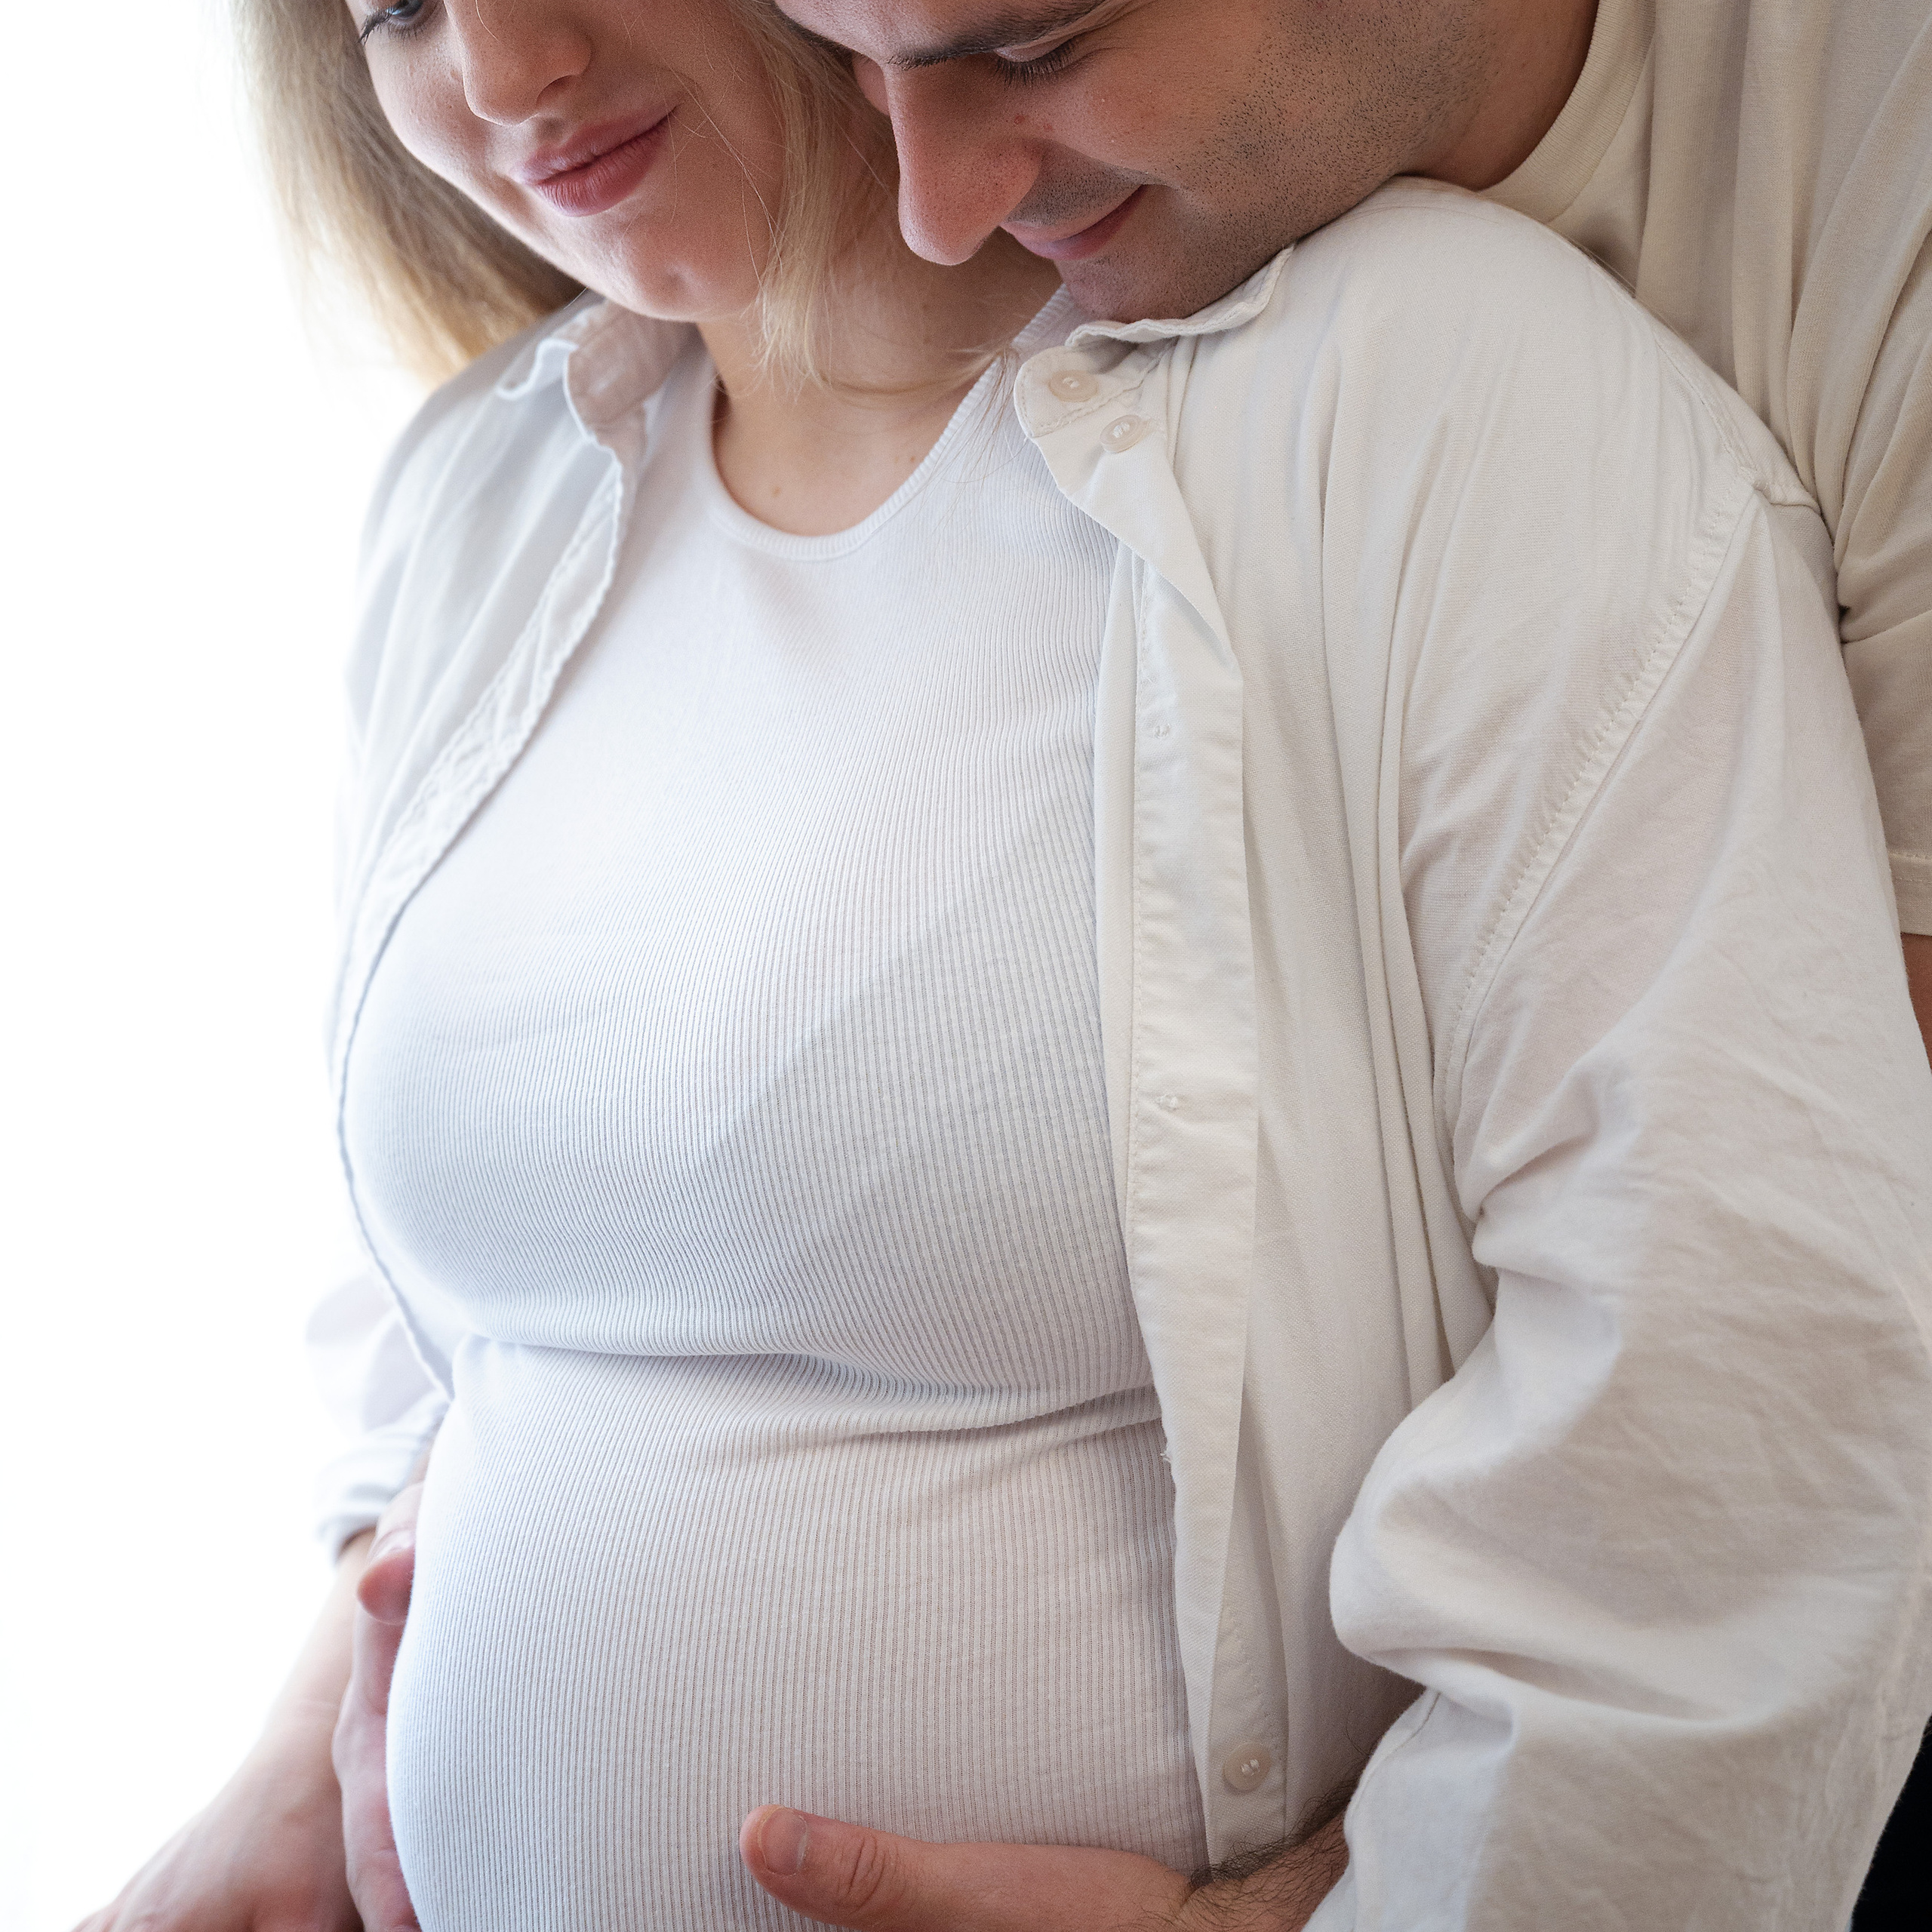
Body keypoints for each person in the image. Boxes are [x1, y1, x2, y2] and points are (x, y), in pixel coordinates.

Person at [78, 2, 1932, 1930]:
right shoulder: (485, 488)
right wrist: (309, 1734)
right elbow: (442, 1315)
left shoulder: (1439, 383)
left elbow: (1744, 1385)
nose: (499, 67)